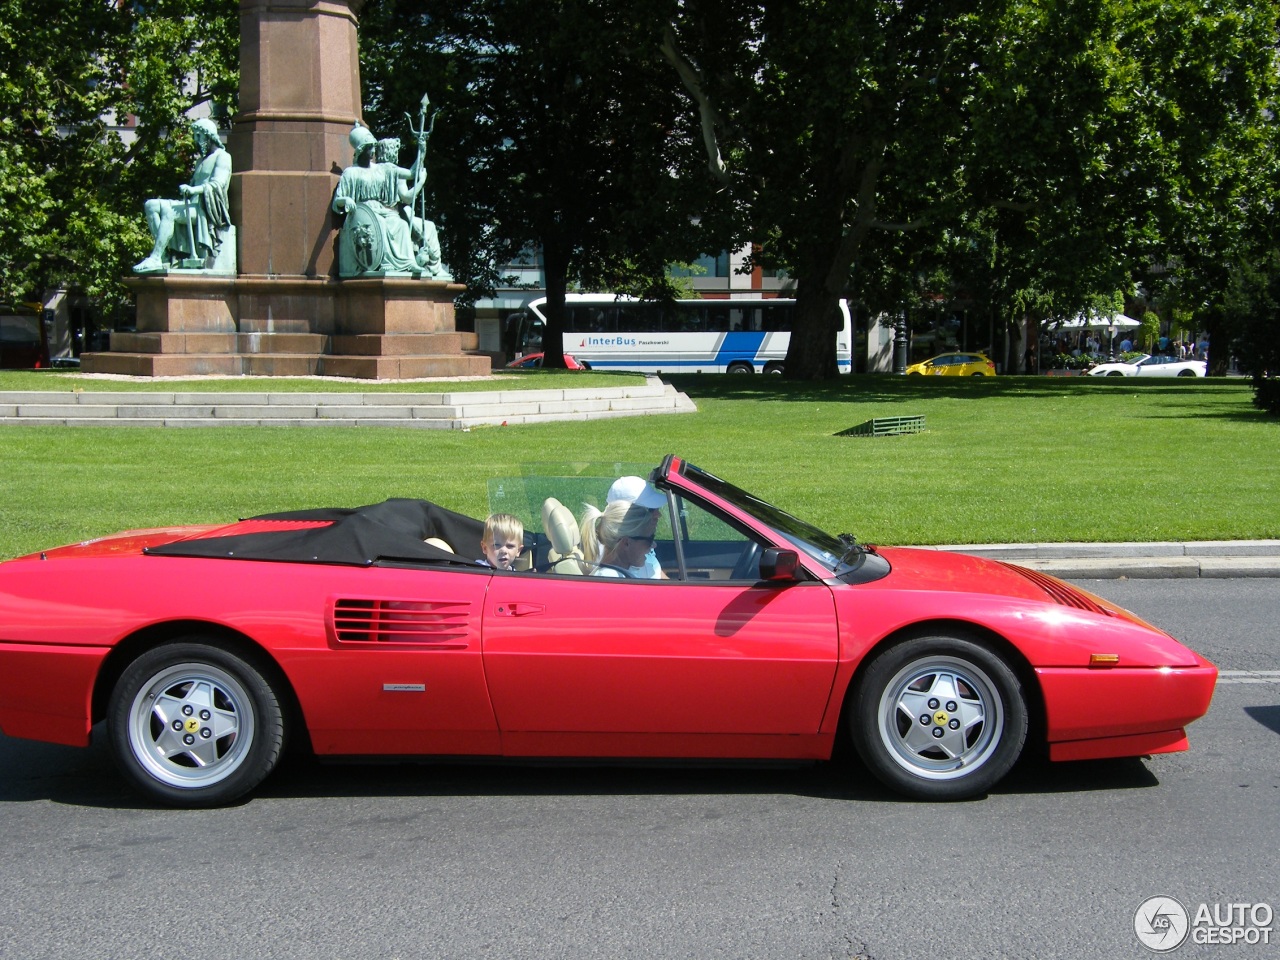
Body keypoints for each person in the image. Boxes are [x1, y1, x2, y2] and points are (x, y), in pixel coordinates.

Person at [134, 118, 232, 273]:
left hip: (206, 210)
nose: (196, 140)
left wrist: (194, 190)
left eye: (199, 136)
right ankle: (163, 256)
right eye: (195, 136)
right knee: (151, 205)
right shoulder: (201, 160)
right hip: (192, 205)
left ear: (209, 136)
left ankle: (155, 257)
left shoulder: (223, 156)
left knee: (169, 211)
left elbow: (218, 184)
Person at [579, 500, 667, 578]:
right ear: (626, 543)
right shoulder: (611, 581)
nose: (654, 545)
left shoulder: (619, 575)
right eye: (650, 539)